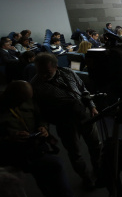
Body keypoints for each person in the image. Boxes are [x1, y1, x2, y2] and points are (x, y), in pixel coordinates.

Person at [0, 81, 86, 197]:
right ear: (11, 94)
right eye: (20, 100)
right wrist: (10, 138)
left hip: (34, 147)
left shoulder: (28, 100)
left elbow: (40, 117)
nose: (22, 103)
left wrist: (43, 127)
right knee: (52, 166)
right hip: (10, 152)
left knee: (50, 167)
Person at [31, 53, 102, 189]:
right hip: (64, 121)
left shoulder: (68, 72)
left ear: (56, 67)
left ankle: (98, 170)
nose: (43, 76)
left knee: (96, 145)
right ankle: (86, 178)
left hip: (84, 114)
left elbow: (83, 89)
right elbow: (38, 111)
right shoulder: (35, 85)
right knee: (75, 153)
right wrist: (43, 126)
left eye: (47, 72)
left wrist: (92, 106)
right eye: (40, 72)